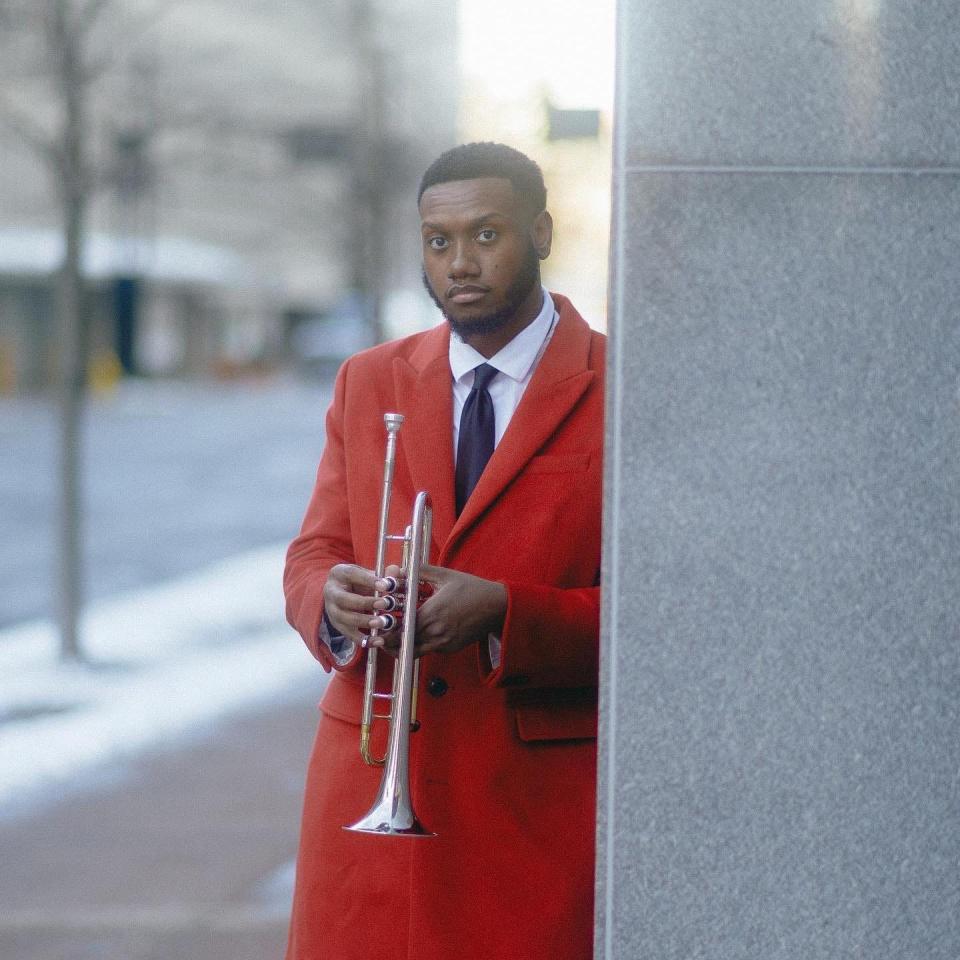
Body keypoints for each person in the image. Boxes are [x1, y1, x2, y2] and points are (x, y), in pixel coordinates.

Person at [283, 141, 604, 960]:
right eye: (438, 241)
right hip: (371, 790)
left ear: (541, 232)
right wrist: (329, 599)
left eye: (487, 235)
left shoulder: (623, 384)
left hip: (530, 803)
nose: (460, 262)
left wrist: (506, 612)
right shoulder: (367, 378)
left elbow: (675, 612)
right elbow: (314, 549)